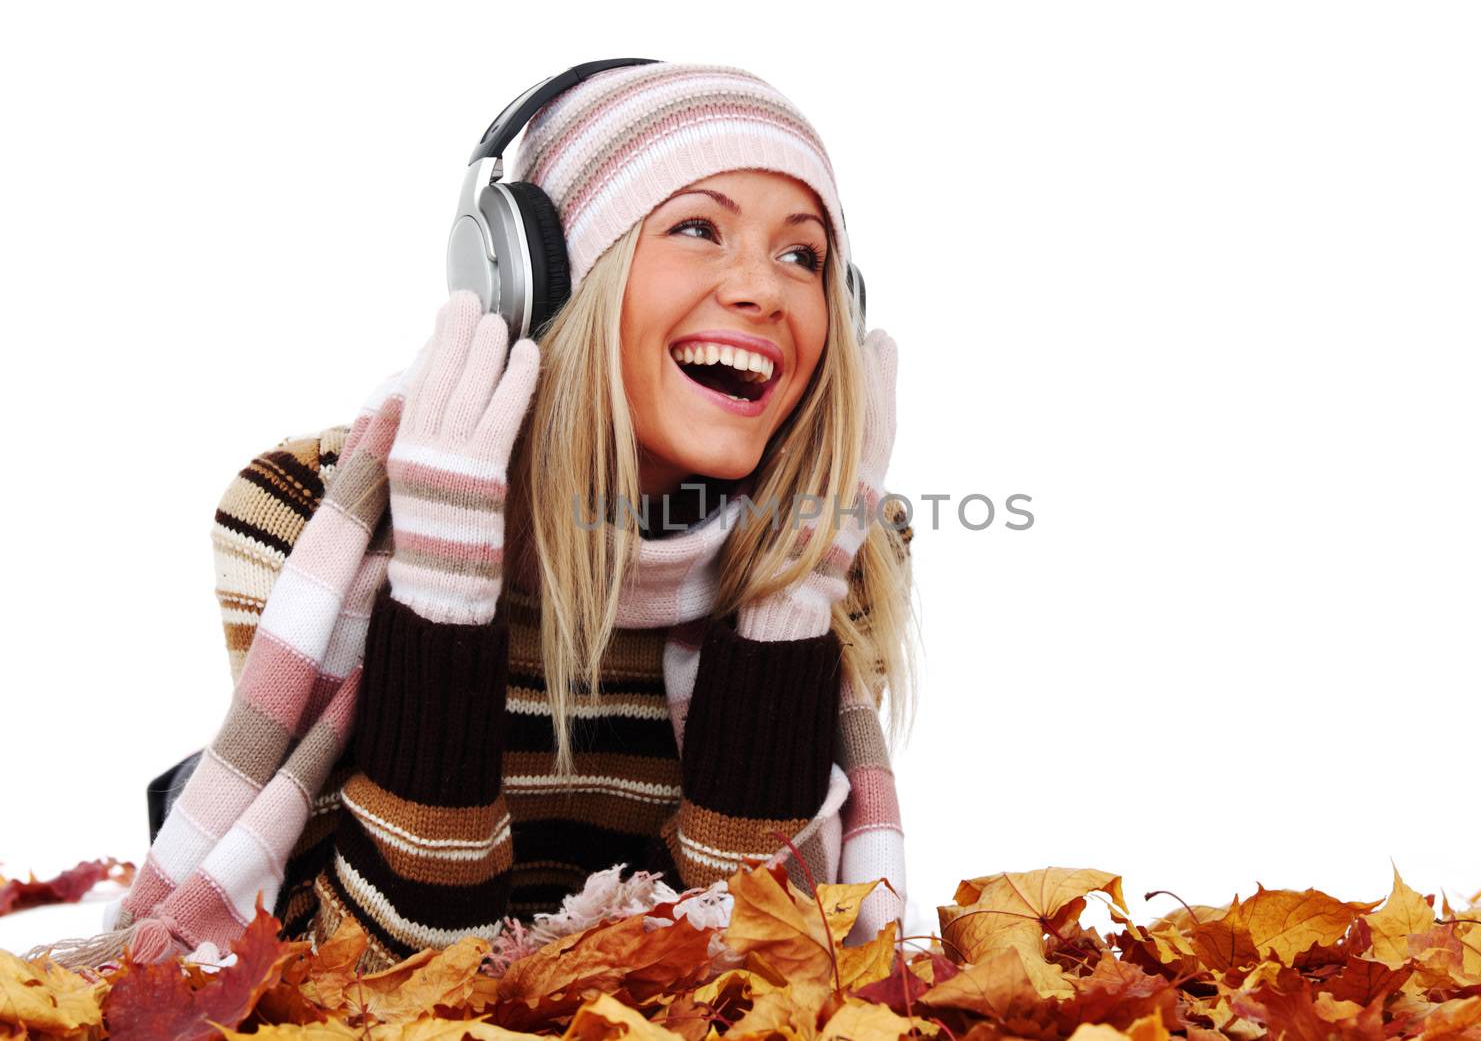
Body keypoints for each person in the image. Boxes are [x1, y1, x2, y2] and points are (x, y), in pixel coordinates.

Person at [87, 61, 917, 972]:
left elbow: (759, 976)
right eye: (698, 228)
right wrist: (442, 593)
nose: (765, 289)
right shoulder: (299, 509)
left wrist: (788, 607)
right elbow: (374, 973)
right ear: (540, 279)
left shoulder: (843, 555)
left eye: (803, 255)